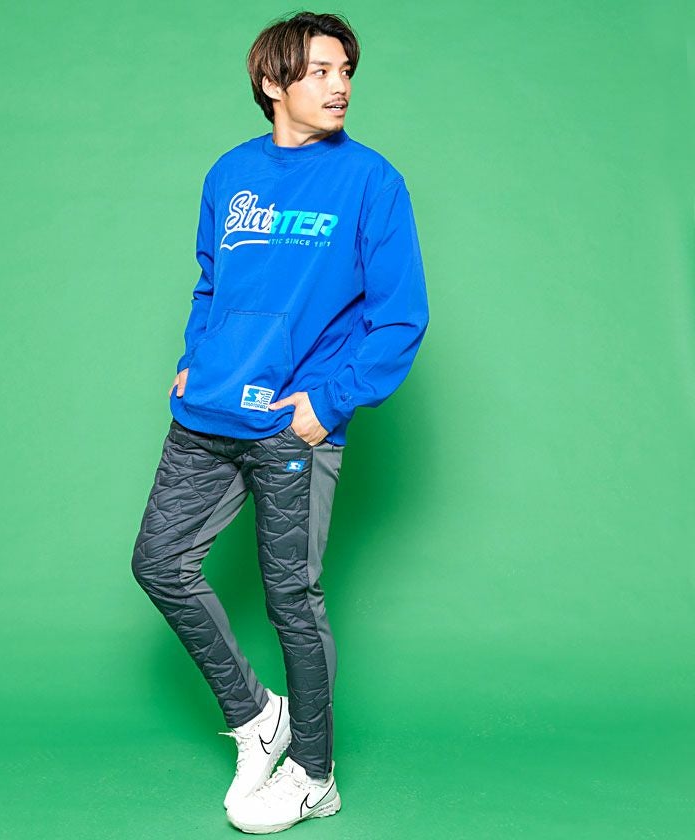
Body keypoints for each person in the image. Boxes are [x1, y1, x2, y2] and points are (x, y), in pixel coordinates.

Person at [131, 10, 429, 834]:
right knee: (160, 564)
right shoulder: (231, 173)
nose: (340, 86)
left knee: (291, 599)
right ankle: (258, 716)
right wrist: (195, 357)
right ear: (273, 82)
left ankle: (315, 775)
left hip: (292, 424)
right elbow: (211, 282)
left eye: (346, 71)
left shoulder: (371, 181)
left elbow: (400, 317)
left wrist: (326, 405)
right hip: (208, 410)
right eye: (321, 71)